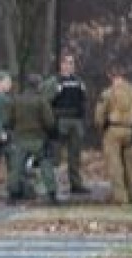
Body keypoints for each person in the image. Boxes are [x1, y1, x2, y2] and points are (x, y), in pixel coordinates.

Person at [94, 65, 132, 205]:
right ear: (123, 75)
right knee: (130, 165)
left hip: (113, 130)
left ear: (110, 76)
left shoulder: (107, 93)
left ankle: (120, 198)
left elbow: (99, 116)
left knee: (115, 166)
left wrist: (101, 128)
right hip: (130, 131)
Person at [6, 73, 59, 205]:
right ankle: (52, 194)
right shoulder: (41, 100)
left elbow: (9, 120)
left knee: (16, 168)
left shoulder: (16, 100)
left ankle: (12, 195)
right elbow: (49, 121)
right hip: (38, 139)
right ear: (38, 85)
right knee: (45, 165)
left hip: (20, 139)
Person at [42, 54, 91, 194]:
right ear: (61, 65)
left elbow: (84, 99)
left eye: (71, 62)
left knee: (75, 155)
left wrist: (83, 117)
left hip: (76, 121)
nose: (70, 65)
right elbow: (45, 102)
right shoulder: (54, 81)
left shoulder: (78, 81)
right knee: (56, 155)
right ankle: (52, 185)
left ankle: (76, 184)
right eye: (67, 62)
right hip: (60, 120)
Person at [0, 70, 23, 202]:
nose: (10, 84)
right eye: (7, 82)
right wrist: (1, 131)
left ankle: (17, 189)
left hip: (7, 131)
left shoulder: (5, 97)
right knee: (12, 158)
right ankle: (13, 191)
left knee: (14, 159)